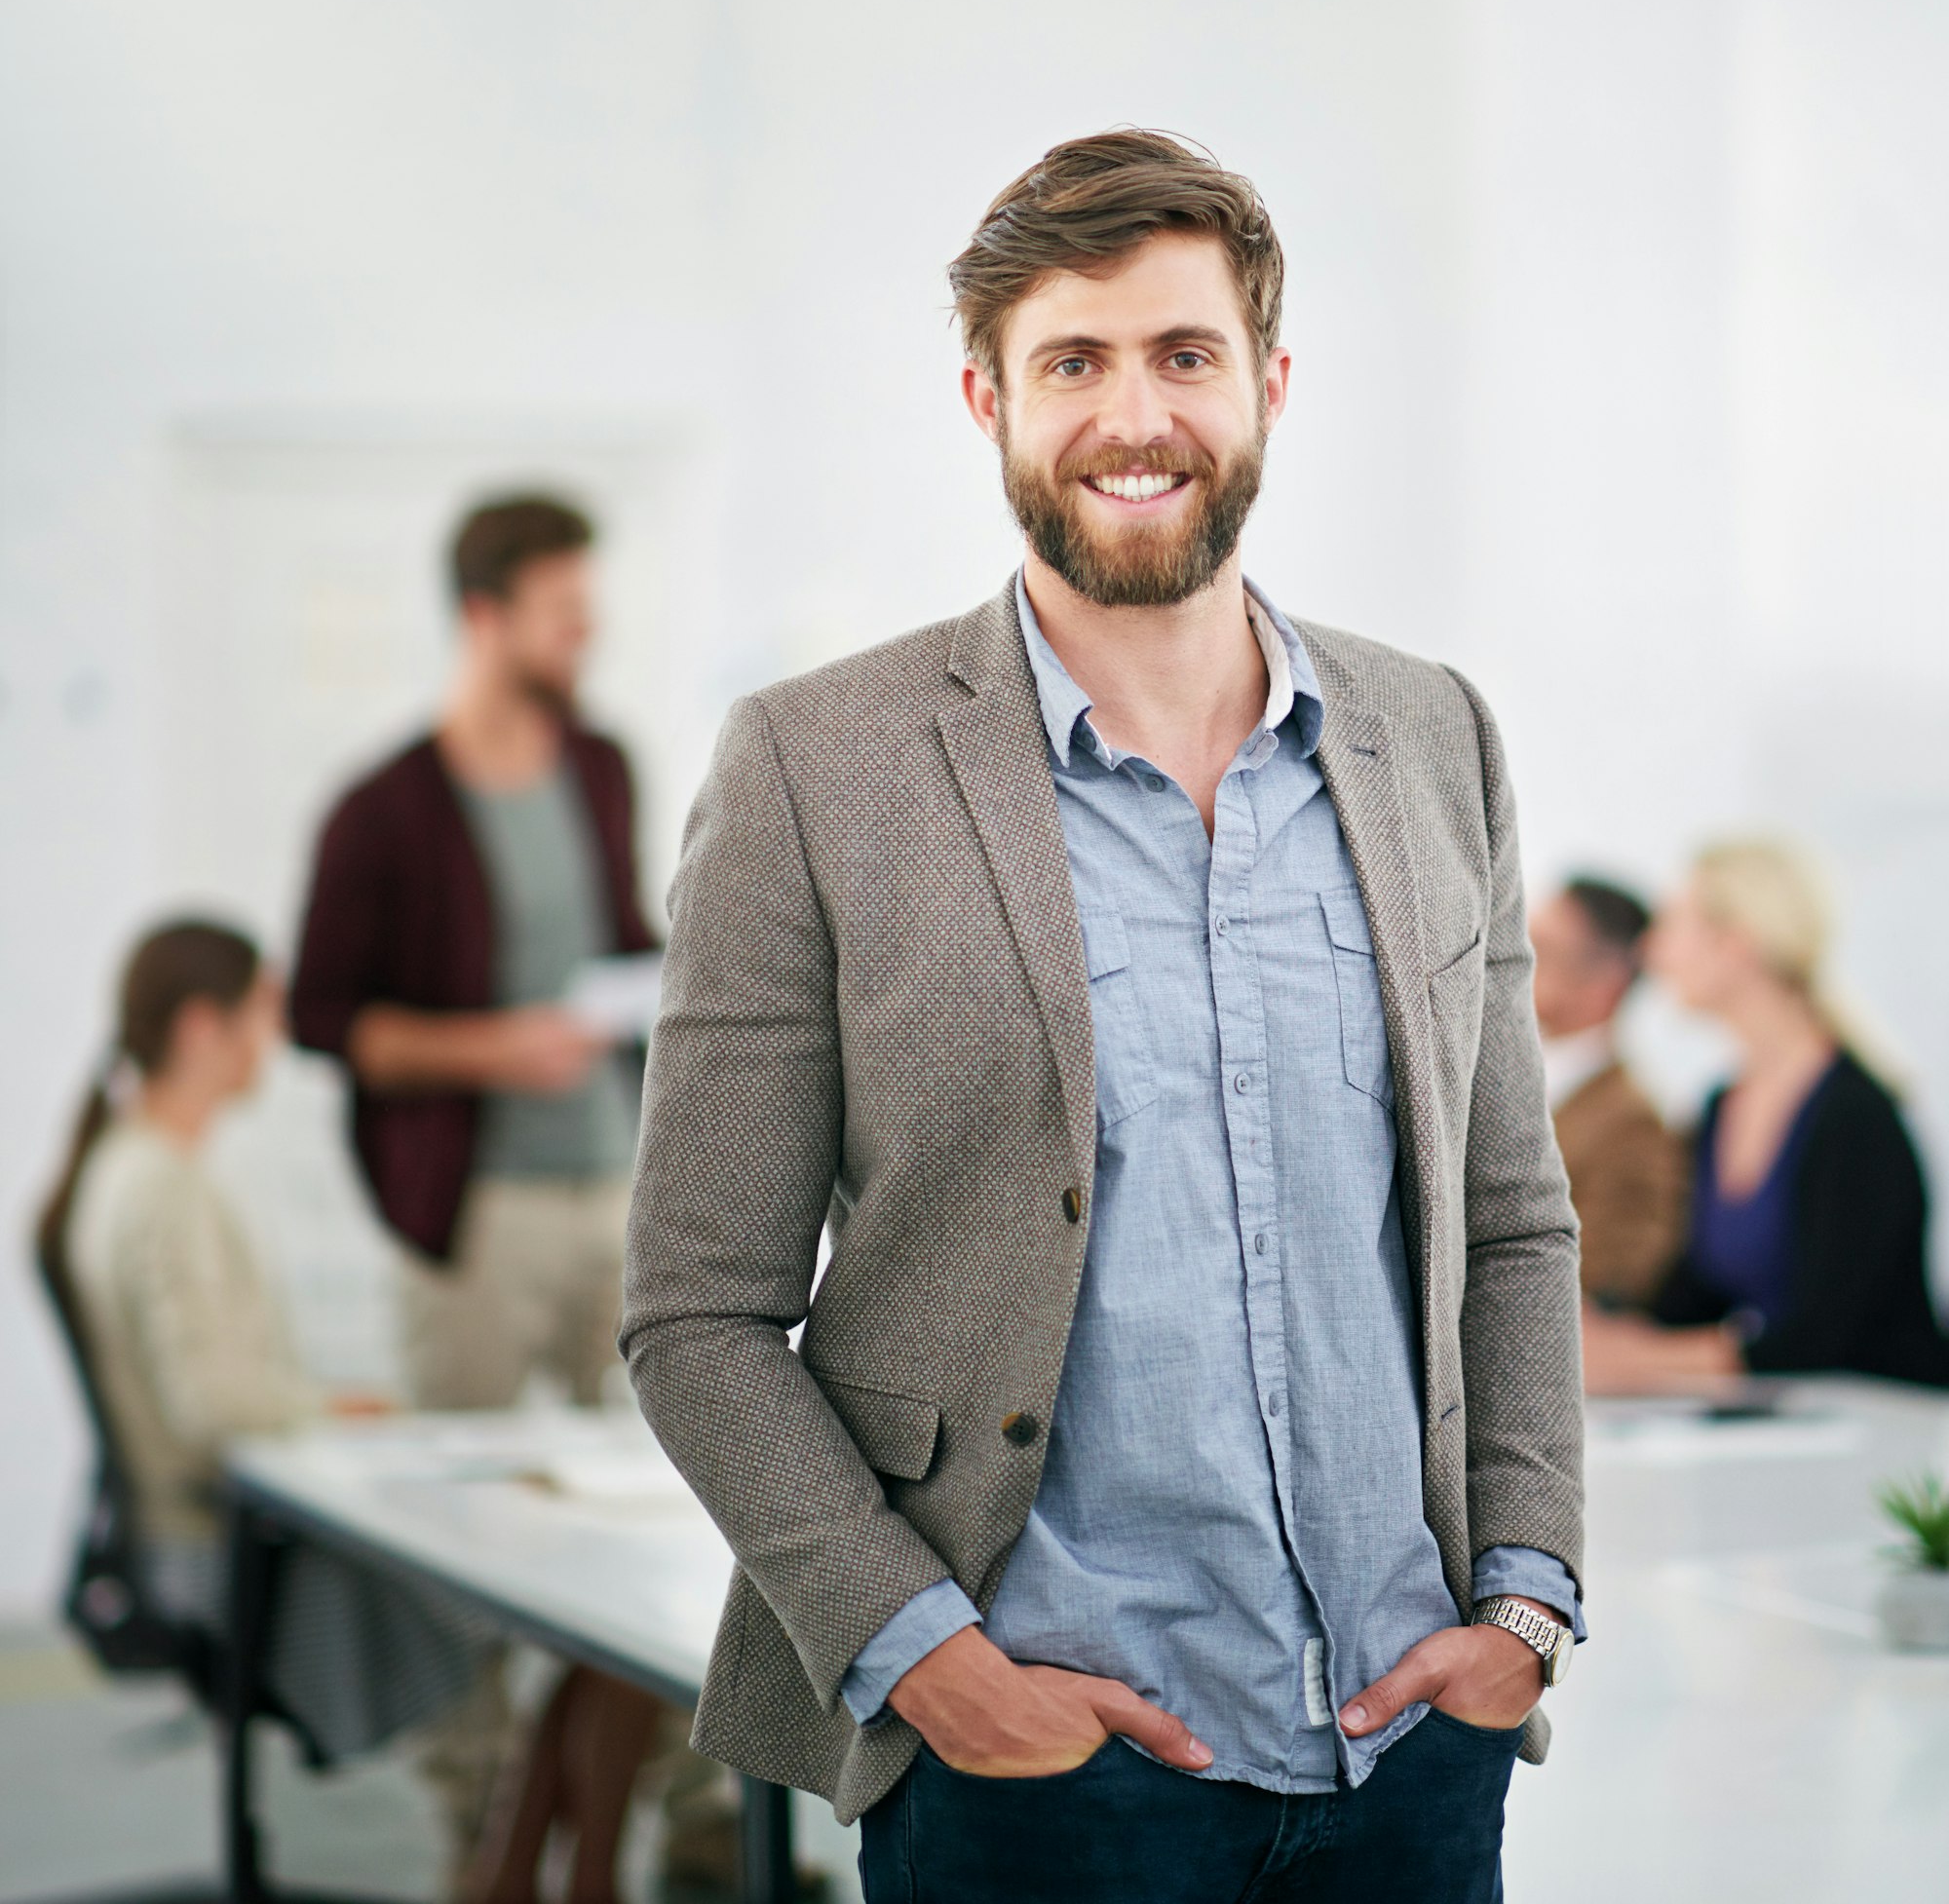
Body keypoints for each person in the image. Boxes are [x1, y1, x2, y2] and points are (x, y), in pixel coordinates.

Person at [621, 131, 1585, 1904]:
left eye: (1183, 354)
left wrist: (1525, 1603)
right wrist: (920, 1654)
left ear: (1268, 385)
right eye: (1074, 361)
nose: (1133, 417)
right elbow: (698, 1312)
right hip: (1045, 1773)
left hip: (1410, 1748)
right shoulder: (815, 771)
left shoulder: (1433, 735)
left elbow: (1510, 1220)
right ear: (986, 396)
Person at [33, 920, 497, 1858]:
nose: (274, 1041)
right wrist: (333, 1414)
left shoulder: (122, 1168)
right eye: (261, 1014)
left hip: (177, 1545)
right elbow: (213, 1409)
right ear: (204, 1029)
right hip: (220, 1558)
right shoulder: (162, 1187)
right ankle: (522, 1865)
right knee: (519, 1611)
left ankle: (515, 1866)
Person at [290, 493, 656, 1412]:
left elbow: (623, 937)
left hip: (618, 1187)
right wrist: (498, 1050)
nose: (586, 635)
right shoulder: (380, 810)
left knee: (636, 1478)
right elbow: (320, 1018)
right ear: (483, 617)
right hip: (477, 1211)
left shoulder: (603, 766)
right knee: (456, 1495)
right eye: (563, 616)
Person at [1583, 840, 1949, 1392]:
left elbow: (1819, 1339)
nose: (1652, 952)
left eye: (1674, 926)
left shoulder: (1856, 1117)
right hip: (1801, 1429)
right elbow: (1694, 1298)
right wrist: (1593, 1328)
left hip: (1893, 1435)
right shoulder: (1719, 1109)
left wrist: (1629, 1363)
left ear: (1736, 943)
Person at [1530, 876, 1687, 1306]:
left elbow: (1607, 1279)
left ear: (1605, 983)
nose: (1511, 959)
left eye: (1540, 949)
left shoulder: (1636, 1125)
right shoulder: (1484, 1066)